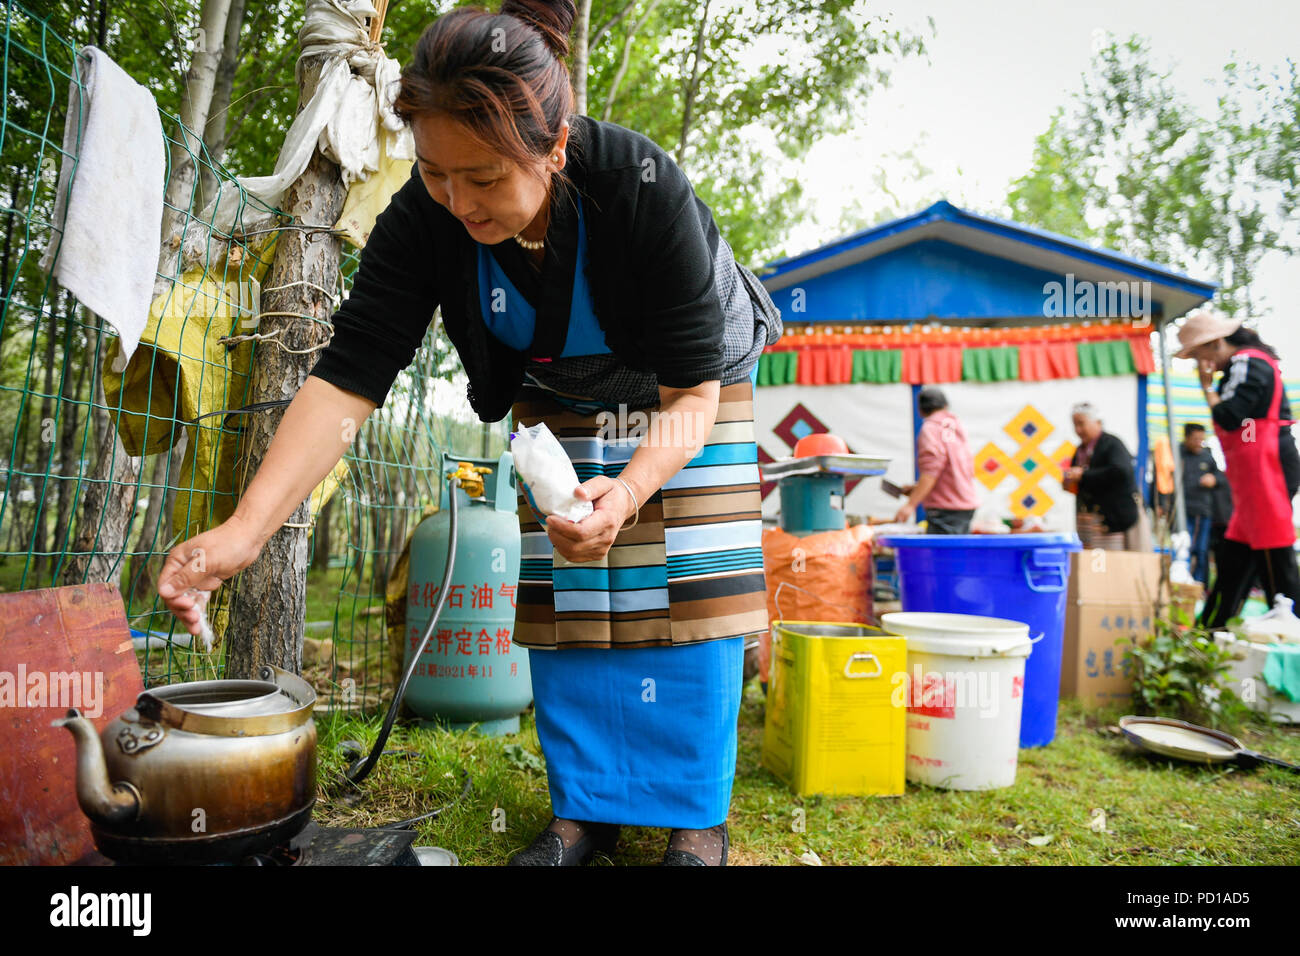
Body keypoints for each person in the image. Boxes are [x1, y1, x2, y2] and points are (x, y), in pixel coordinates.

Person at [156, 0, 782, 867]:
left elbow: (690, 395)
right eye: (438, 173)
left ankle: (696, 826)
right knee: (574, 594)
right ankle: (582, 815)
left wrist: (633, 490)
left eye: (485, 178)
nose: (458, 201)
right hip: (559, 386)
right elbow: (348, 379)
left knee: (685, 589)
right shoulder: (426, 216)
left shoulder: (642, 185)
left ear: (555, 146)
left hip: (686, 389)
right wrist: (242, 531)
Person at [1177, 311, 1300, 628]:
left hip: (1267, 464)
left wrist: (1208, 388)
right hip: (1252, 471)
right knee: (1238, 553)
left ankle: (1288, 616)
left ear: (1215, 344)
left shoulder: (1246, 361)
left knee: (1273, 545)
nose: (1198, 362)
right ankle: (1215, 626)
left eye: (1198, 354)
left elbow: (1230, 416)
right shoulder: (1239, 367)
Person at [894, 386, 979, 533]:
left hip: (945, 508)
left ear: (920, 410)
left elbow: (932, 470)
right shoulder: (956, 425)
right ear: (945, 405)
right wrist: (917, 489)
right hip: (965, 504)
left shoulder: (930, 428)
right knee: (958, 554)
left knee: (943, 555)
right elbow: (952, 468)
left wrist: (910, 505)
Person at [1064, 402, 1147, 550]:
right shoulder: (1080, 450)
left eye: (1081, 424)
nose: (1078, 430)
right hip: (1090, 521)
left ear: (1097, 422)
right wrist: (1069, 482)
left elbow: (1121, 471)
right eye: (1075, 425)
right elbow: (1080, 480)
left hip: (1114, 519)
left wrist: (1084, 474)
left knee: (1111, 562)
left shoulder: (1112, 444)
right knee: (1094, 562)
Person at [1179, 423, 1224, 586]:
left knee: (1201, 550)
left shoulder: (1207, 456)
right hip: (1181, 510)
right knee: (1183, 549)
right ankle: (1182, 582)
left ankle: (1199, 586)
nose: (1199, 442)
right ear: (1186, 438)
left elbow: (1220, 477)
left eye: (1201, 439)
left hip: (1202, 510)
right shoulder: (1177, 454)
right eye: (1195, 439)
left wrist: (1213, 479)